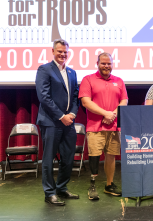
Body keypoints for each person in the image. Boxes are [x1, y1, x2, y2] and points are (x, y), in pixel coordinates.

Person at [35, 39, 80, 206]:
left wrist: (73, 113)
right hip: (51, 121)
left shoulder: (72, 72)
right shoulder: (44, 69)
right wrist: (62, 116)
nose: (62, 54)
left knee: (68, 158)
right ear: (53, 51)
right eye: (59, 51)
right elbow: (44, 97)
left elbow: (75, 96)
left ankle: (62, 188)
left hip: (69, 122)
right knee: (48, 158)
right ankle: (49, 193)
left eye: (65, 52)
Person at [79, 52, 128, 200]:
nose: (106, 66)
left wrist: (112, 114)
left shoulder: (119, 81)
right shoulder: (88, 79)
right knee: (94, 156)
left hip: (114, 126)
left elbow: (124, 101)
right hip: (95, 127)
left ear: (112, 64)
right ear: (97, 63)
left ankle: (109, 185)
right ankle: (92, 186)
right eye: (103, 63)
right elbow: (85, 102)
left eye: (109, 63)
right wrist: (105, 114)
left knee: (111, 156)